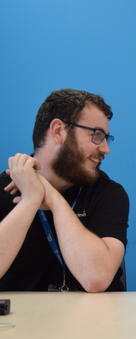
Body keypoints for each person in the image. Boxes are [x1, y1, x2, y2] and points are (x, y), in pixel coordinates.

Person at [0, 89, 129, 292]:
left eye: (106, 137)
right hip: (20, 322)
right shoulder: (4, 189)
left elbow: (96, 278)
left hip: (95, 322)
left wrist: (52, 197)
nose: (105, 149)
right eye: (96, 135)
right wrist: (30, 200)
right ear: (58, 130)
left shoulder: (109, 194)